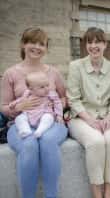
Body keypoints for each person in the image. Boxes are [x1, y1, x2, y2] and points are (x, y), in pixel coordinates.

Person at [1, 27, 68, 198]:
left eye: (42, 44)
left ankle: (51, 196)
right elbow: (3, 106)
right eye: (32, 42)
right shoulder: (11, 73)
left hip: (51, 122)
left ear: (46, 48)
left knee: (47, 140)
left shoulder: (53, 72)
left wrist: (56, 109)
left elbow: (64, 98)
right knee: (29, 144)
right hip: (20, 123)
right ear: (23, 44)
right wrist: (19, 107)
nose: (37, 47)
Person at [67, 27, 110, 198]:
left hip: (106, 116)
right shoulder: (76, 66)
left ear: (105, 44)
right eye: (89, 42)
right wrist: (89, 120)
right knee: (96, 142)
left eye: (98, 41)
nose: (93, 46)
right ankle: (97, 195)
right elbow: (73, 99)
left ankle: (108, 194)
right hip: (81, 117)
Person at [12, 71, 63, 138]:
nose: (46, 88)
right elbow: (21, 99)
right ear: (31, 89)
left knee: (48, 117)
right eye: (42, 87)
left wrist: (59, 115)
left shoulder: (51, 94)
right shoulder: (28, 93)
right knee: (19, 118)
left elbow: (58, 103)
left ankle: (40, 130)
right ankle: (25, 130)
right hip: (29, 115)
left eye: (47, 85)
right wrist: (14, 103)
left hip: (43, 114)